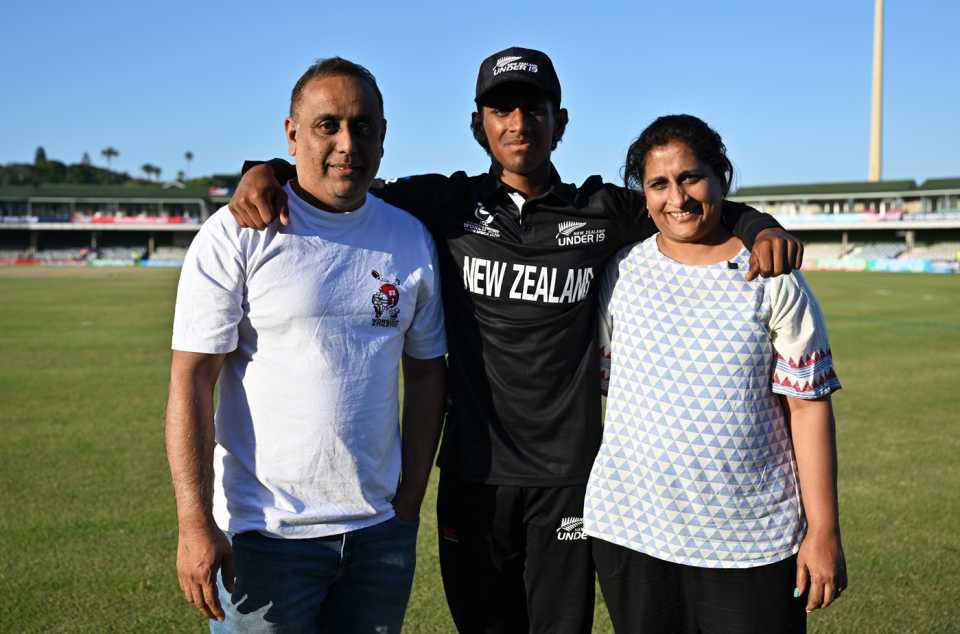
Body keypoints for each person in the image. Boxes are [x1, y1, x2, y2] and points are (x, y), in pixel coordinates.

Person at [228, 47, 804, 634]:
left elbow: (691, 204)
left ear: (560, 121)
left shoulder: (603, 210)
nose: (518, 123)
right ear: (478, 124)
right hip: (473, 476)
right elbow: (337, 174)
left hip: (568, 480)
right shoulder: (443, 205)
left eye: (534, 108)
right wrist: (265, 169)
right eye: (500, 108)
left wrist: (762, 227)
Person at [164, 57, 447, 633]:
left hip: (378, 535)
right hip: (264, 536)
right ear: (291, 134)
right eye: (328, 125)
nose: (347, 143)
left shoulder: (409, 237)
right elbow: (192, 379)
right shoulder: (239, 232)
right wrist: (194, 522)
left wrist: (410, 501)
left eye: (363, 126)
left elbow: (427, 374)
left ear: (384, 135)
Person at [585, 114, 847, 633]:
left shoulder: (772, 278)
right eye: (659, 184)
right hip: (632, 530)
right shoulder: (623, 271)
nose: (676, 198)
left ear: (721, 177)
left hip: (751, 540)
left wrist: (824, 532)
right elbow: (608, 382)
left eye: (690, 178)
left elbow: (808, 408)